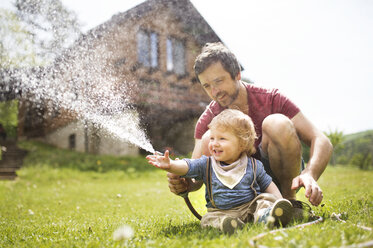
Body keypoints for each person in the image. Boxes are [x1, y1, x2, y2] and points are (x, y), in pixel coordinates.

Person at [167, 42, 333, 208]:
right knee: (206, 138)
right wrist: (185, 183)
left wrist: (310, 173)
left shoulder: (272, 98)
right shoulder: (207, 120)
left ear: (237, 74)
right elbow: (198, 174)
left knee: (276, 123)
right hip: (240, 191)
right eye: (207, 86)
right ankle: (247, 209)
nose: (214, 92)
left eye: (219, 81)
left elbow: (320, 139)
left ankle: (290, 203)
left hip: (278, 179)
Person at [147, 109, 293, 234]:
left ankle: (268, 216)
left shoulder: (254, 165)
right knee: (208, 220)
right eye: (212, 138)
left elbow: (269, 184)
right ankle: (229, 225)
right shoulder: (207, 164)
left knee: (264, 201)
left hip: (250, 208)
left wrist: (279, 201)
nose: (214, 143)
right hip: (221, 213)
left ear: (242, 143)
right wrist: (171, 164)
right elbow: (187, 166)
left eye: (222, 138)